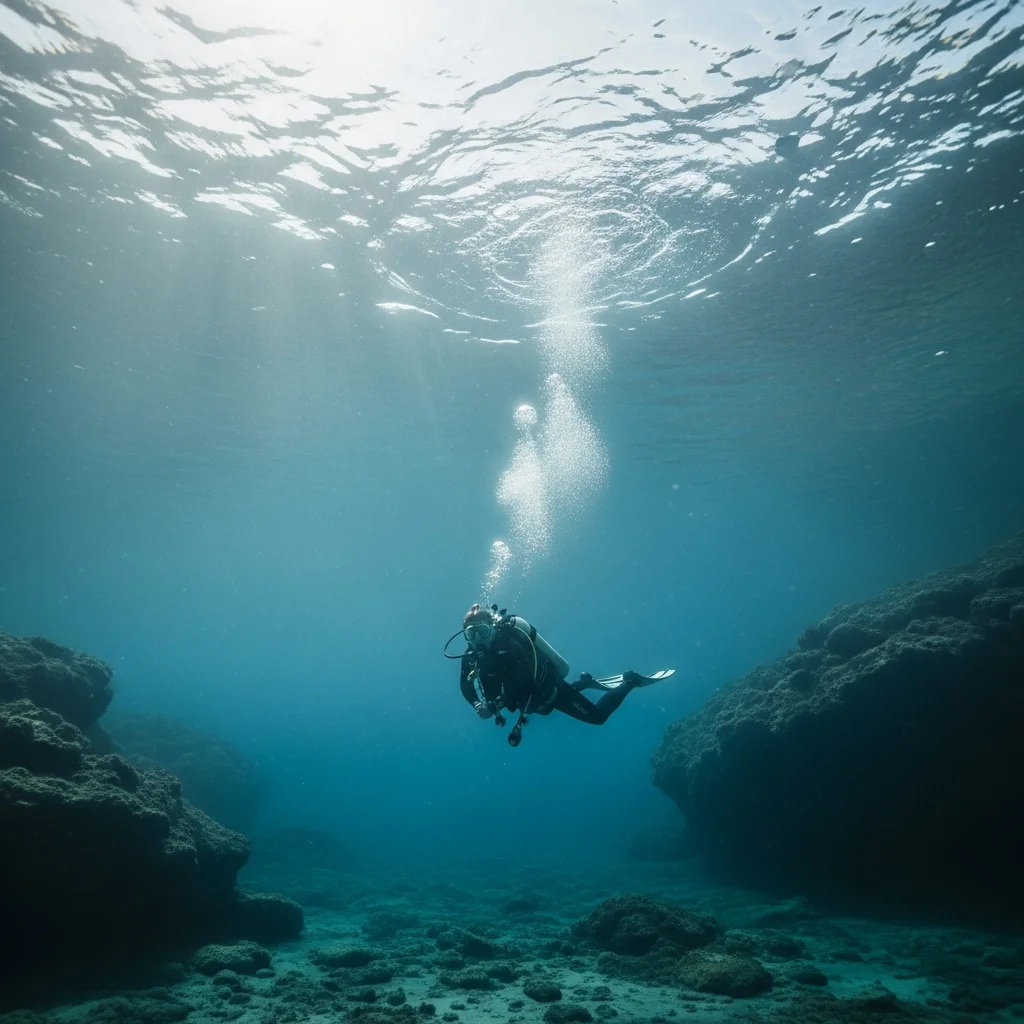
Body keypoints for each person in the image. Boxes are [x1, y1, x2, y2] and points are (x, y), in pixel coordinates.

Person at [451, 603, 673, 747]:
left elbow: (524, 681)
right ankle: (584, 683)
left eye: (482, 631)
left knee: (597, 717)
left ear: (492, 628)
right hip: (532, 702)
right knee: (544, 708)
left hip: (550, 689)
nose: (478, 638)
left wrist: (494, 706)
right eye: (472, 633)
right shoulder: (470, 656)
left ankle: (630, 681)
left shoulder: (510, 644)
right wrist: (476, 704)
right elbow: (465, 686)